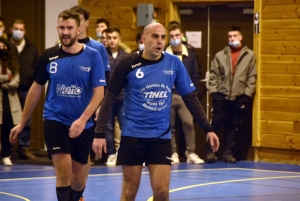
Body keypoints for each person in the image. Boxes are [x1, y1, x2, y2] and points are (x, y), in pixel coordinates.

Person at [92, 22, 219, 201]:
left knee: (161, 192)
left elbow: (190, 98)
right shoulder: (128, 63)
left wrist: (208, 128)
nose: (160, 41)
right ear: (144, 39)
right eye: (155, 36)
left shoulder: (174, 63)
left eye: (162, 37)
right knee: (130, 191)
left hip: (160, 136)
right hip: (133, 136)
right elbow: (109, 98)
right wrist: (99, 133)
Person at [10, 9, 106, 201]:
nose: (65, 32)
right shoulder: (48, 56)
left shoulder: (93, 56)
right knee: (63, 172)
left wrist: (83, 120)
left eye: (70, 28)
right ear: (57, 28)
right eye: (62, 27)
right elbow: (36, 89)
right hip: (55, 119)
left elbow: (99, 93)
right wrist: (21, 123)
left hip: (83, 123)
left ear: (78, 29)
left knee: (78, 179)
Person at [207, 26, 256, 164]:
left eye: (235, 36)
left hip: (238, 96)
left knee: (232, 126)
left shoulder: (249, 55)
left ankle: (228, 153)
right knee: (215, 124)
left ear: (240, 37)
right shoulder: (220, 55)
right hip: (221, 96)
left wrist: (247, 94)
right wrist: (214, 92)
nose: (232, 39)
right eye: (230, 36)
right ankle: (211, 152)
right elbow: (213, 75)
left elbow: (252, 77)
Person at [165, 24, 204, 164]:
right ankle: (173, 153)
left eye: (177, 35)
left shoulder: (190, 55)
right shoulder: (164, 55)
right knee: (170, 126)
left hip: (185, 96)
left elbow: (195, 76)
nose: (175, 38)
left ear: (182, 36)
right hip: (168, 96)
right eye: (172, 36)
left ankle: (191, 152)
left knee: (188, 123)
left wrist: (194, 94)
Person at [8, 19, 39, 161]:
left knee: (26, 121)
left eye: (21, 29)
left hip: (26, 89)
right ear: (10, 30)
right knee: (8, 120)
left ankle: (24, 148)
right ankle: (6, 149)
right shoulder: (5, 46)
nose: (18, 32)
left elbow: (37, 70)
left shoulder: (31, 49)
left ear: (24, 31)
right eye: (16, 28)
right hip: (8, 90)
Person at [104, 27, 128, 166]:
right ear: (106, 39)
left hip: (123, 98)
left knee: (126, 126)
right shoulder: (102, 55)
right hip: (107, 98)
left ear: (120, 39)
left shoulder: (125, 56)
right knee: (108, 127)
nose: (112, 41)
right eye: (110, 38)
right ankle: (111, 154)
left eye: (115, 38)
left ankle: (124, 153)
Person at [0, 37, 21, 166]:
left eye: (3, 47)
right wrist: (7, 78)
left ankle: (6, 154)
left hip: (10, 100)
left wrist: (4, 83)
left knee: (7, 128)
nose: (2, 50)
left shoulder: (12, 63)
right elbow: (9, 78)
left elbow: (16, 80)